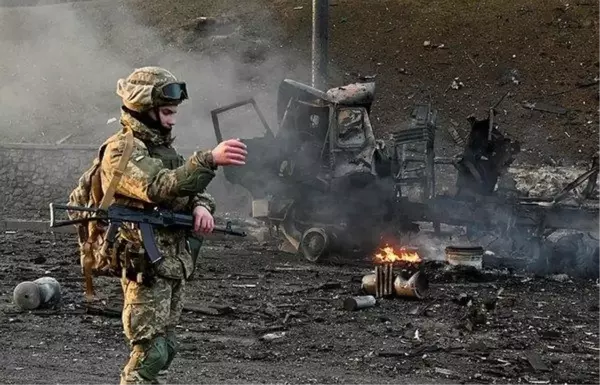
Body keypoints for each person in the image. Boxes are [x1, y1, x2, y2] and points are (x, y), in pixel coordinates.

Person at [101, 66, 247, 385]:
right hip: (145, 264)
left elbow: (193, 191)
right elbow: (157, 187)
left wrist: (200, 208)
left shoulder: (164, 150)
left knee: (166, 350)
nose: (172, 119)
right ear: (143, 108)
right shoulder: (122, 150)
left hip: (171, 263)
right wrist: (208, 160)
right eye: (166, 111)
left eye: (174, 112)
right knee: (148, 355)